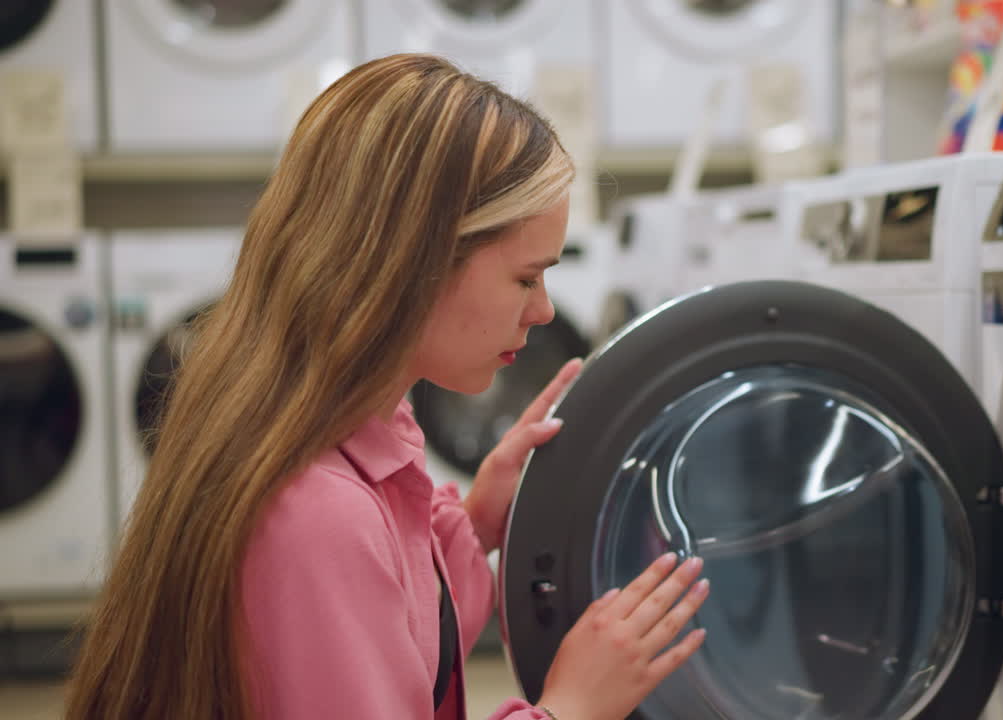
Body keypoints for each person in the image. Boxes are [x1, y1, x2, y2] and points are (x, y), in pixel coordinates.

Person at [65, 54, 710, 720]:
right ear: (416, 263)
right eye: (526, 277)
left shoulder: (343, 429)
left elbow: (395, 645)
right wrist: (572, 706)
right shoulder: (319, 515)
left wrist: (475, 525)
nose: (543, 310)